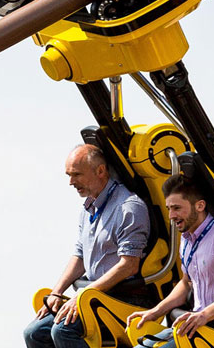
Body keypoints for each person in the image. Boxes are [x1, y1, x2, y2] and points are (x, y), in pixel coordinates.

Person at [24, 144, 150, 348]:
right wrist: (57, 292)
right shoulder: (89, 207)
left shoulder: (129, 208)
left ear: (100, 171)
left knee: (64, 331)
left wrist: (84, 295)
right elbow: (80, 255)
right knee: (34, 333)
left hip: (126, 298)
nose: (71, 182)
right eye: (69, 175)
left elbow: (129, 265)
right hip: (94, 295)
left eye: (77, 175)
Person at [127, 174, 214, 346]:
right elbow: (187, 283)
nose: (171, 216)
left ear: (200, 205)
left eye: (176, 208)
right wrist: (155, 312)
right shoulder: (187, 239)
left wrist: (205, 315)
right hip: (197, 325)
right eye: (169, 209)